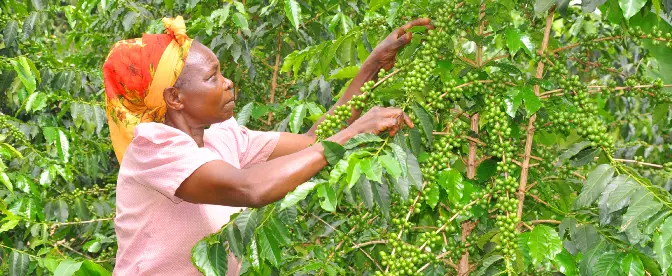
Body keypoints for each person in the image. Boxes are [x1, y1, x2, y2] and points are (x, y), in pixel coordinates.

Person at [104, 16, 432, 275]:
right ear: (175, 98)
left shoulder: (219, 134)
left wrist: (373, 63)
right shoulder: (154, 148)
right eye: (213, 77)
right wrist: (349, 136)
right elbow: (249, 188)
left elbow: (313, 141)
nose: (228, 82)